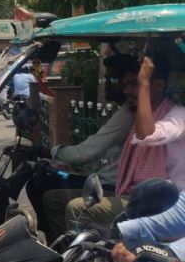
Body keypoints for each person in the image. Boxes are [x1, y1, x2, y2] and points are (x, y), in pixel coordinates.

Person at [59, 54, 185, 234]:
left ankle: (85, 260)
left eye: (134, 84)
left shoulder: (178, 115)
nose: (126, 91)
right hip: (132, 194)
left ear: (158, 85)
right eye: (127, 85)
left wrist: (144, 83)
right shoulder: (137, 115)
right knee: (55, 199)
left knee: (77, 208)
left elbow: (148, 135)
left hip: (165, 205)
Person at [28, 54, 137, 241]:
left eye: (114, 80)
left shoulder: (128, 114)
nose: (109, 85)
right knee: (44, 181)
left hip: (111, 186)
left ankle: (67, 250)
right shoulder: (123, 111)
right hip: (103, 177)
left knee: (45, 190)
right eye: (106, 79)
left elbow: (86, 152)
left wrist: (47, 152)